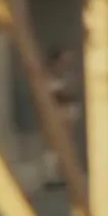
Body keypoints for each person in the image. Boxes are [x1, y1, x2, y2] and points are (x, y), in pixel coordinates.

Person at [42, 46, 80, 188]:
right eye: (63, 61)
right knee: (54, 144)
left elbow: (72, 91)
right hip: (56, 112)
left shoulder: (68, 76)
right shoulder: (47, 76)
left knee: (66, 144)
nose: (66, 64)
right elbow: (53, 94)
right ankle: (51, 175)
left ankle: (63, 173)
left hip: (68, 111)